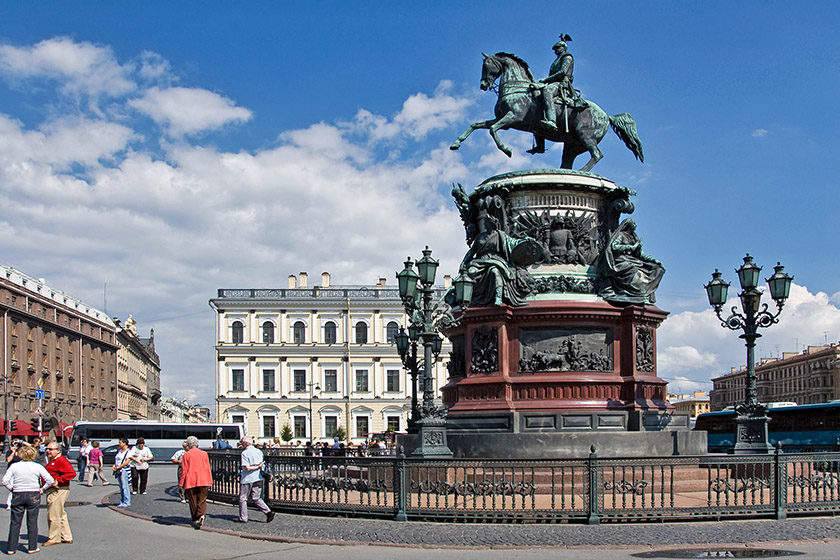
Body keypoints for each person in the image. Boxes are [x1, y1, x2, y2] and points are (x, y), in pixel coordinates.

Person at [598, 218, 665, 304]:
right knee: (634, 270)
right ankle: (637, 292)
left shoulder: (634, 238)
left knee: (657, 269)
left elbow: (640, 254)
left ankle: (643, 293)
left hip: (632, 260)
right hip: (621, 259)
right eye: (634, 223)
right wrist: (631, 247)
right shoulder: (621, 235)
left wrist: (654, 260)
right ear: (629, 225)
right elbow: (614, 247)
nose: (635, 225)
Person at [2, 444, 54, 555]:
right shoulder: (37, 466)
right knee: (32, 521)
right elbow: (50, 480)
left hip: (18, 493)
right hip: (33, 494)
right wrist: (42, 489)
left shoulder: (14, 466)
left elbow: (5, 481)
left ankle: (11, 548)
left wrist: (12, 489)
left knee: (15, 522)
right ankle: (32, 547)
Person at [533, 38, 585, 132]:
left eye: (557, 48)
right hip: (554, 83)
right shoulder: (557, 60)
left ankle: (552, 120)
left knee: (547, 91)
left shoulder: (567, 57)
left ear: (563, 48)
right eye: (555, 49)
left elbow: (563, 72)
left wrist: (546, 80)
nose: (555, 50)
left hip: (561, 84)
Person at [42, 442, 75, 546]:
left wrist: (58, 480)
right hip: (54, 489)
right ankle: (66, 536)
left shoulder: (61, 461)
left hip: (58, 490)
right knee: (60, 514)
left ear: (58, 450)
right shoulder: (53, 461)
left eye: (50, 449)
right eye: (47, 449)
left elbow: (71, 473)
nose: (48, 451)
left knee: (54, 514)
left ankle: (54, 538)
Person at [236, 436, 274, 524]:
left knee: (243, 498)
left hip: (247, 478)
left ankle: (243, 517)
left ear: (245, 444)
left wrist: (256, 467)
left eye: (242, 443)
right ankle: (268, 512)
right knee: (256, 497)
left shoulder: (245, 453)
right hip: (258, 477)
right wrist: (259, 466)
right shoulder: (259, 451)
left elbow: (247, 468)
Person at [180, 435, 212, 529]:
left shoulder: (186, 455)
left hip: (191, 480)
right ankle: (201, 514)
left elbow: (184, 470)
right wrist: (210, 480)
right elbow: (207, 468)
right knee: (202, 499)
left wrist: (181, 483)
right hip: (203, 479)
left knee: (192, 500)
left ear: (188, 445)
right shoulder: (204, 454)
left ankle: (196, 518)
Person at [111, 438, 133, 508]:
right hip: (118, 470)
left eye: (120, 442)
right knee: (121, 486)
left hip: (124, 470)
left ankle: (126, 501)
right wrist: (115, 466)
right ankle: (122, 501)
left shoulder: (128, 452)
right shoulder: (119, 451)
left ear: (124, 443)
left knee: (125, 486)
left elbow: (127, 461)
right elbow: (116, 460)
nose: (119, 444)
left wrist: (119, 467)